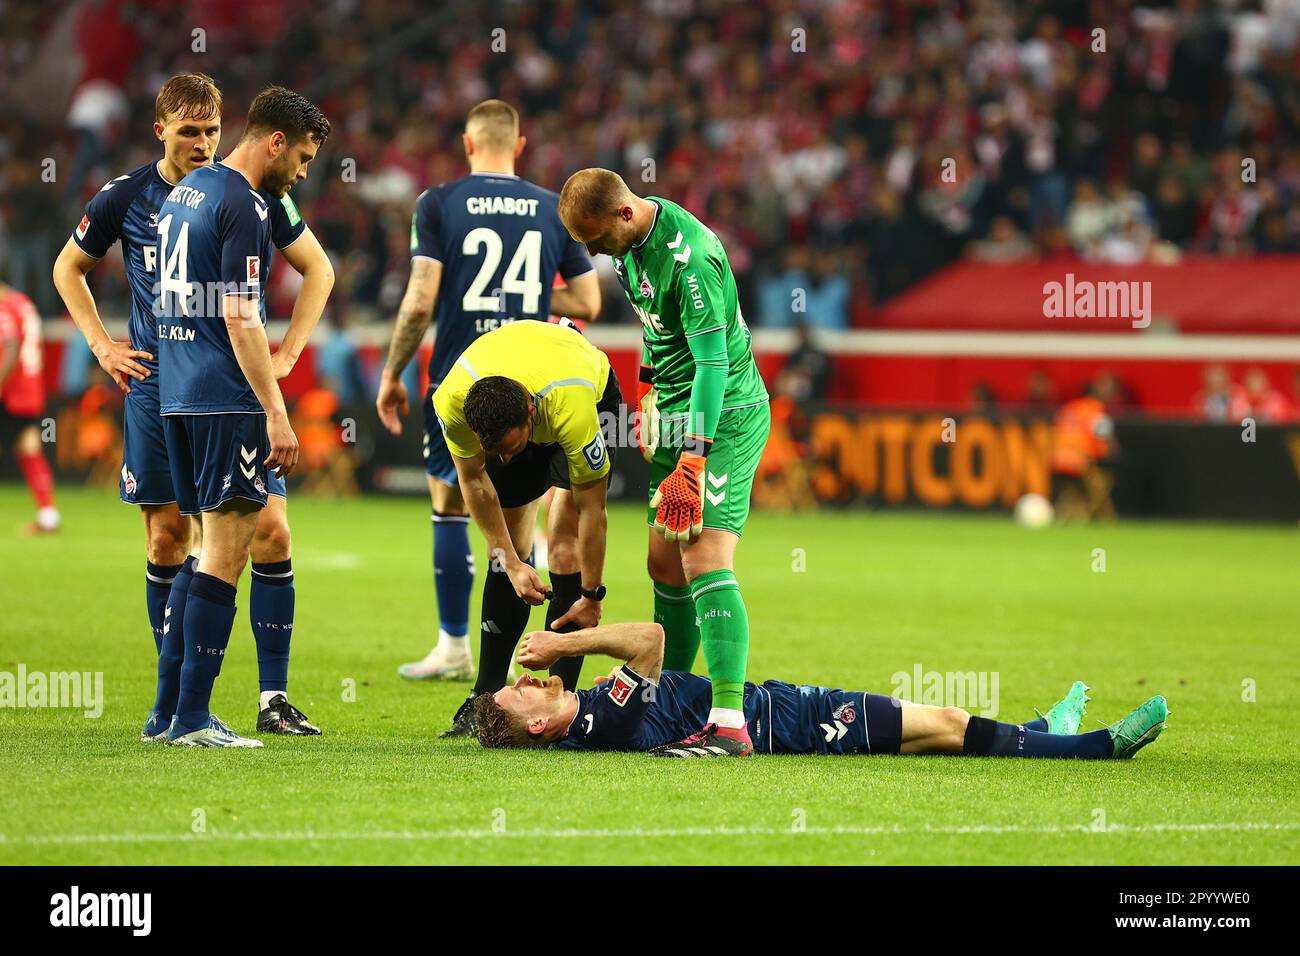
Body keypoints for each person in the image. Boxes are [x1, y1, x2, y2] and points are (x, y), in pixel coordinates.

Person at [52, 75, 335, 740]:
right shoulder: (156, 195)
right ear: (161, 131)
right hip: (192, 387)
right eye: (190, 131)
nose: (204, 142)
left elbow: (319, 269)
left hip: (192, 387)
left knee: (259, 535)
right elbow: (73, 268)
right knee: (186, 542)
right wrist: (103, 346)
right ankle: (183, 710)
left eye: (211, 130)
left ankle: (238, 701)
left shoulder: (209, 194)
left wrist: (289, 353)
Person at [375, 99, 600, 684]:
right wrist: (520, 301)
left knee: (451, 504)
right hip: (526, 386)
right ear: (519, 146)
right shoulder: (552, 208)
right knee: (518, 525)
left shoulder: (439, 203)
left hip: (459, 378)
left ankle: (455, 647)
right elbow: (588, 302)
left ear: (469, 145)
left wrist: (392, 371)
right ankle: (518, 669)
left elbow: (421, 300)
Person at [558, 168, 770, 757]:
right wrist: (650, 395)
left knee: (701, 555)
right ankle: (670, 698)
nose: (595, 253)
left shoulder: (692, 256)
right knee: (662, 563)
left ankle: (728, 722)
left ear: (624, 214)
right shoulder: (629, 251)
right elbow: (656, 333)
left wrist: (694, 461)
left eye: (596, 239)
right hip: (676, 414)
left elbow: (712, 366)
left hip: (723, 416)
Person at [150, 86, 331, 747]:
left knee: (203, 552)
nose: (304, 173)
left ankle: (168, 714)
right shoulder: (246, 204)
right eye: (304, 157)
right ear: (276, 142)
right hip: (226, 399)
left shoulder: (186, 193)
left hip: (179, 391)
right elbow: (239, 313)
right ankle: (194, 718)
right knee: (224, 556)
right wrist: (276, 410)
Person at [472, 623, 1169, 760]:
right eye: (521, 694)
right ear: (537, 728)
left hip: (787, 709)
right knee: (947, 721)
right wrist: (566, 644)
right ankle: (1097, 747)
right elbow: (653, 638)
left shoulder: (595, 714)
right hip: (796, 725)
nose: (529, 679)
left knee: (940, 729)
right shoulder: (603, 722)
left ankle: (1043, 726)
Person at [427, 319, 619, 736]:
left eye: (511, 448)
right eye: (495, 450)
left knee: (563, 544)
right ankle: (484, 696)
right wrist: (512, 561)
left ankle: (562, 701)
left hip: (588, 390)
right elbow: (474, 481)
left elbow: (593, 510)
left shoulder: (573, 410)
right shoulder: (453, 403)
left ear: (529, 415)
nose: (505, 459)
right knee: (508, 547)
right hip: (520, 388)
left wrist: (592, 594)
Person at [0, 282, 59, 534]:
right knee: (30, 447)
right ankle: (48, 515)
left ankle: (48, 515)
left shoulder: (4, 307)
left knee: (29, 447)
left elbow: (11, 346)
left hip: (12, 389)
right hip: (31, 386)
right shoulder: (24, 302)